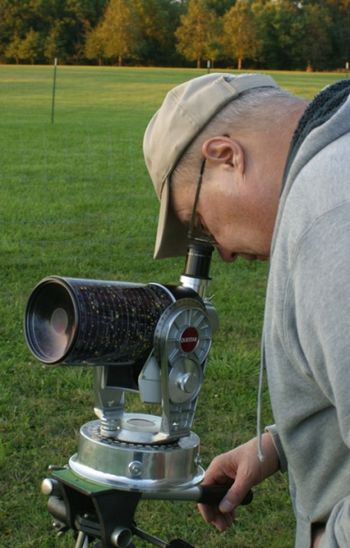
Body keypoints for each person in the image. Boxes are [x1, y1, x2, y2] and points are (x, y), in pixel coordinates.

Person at [143, 72, 350, 548]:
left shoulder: (327, 214)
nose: (224, 253)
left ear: (225, 157)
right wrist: (283, 444)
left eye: (199, 222)